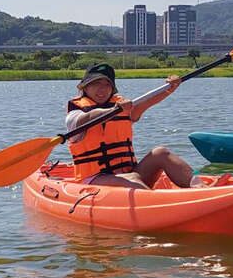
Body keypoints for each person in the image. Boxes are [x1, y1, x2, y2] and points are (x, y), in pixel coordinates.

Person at [64, 63, 196, 189]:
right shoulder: (74, 115)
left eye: (107, 85)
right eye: (96, 83)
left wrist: (170, 89)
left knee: (160, 153)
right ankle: (155, 203)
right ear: (85, 87)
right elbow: (88, 117)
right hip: (95, 180)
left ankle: (200, 188)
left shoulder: (122, 110)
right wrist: (112, 111)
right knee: (132, 179)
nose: (102, 89)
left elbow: (147, 102)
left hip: (130, 175)